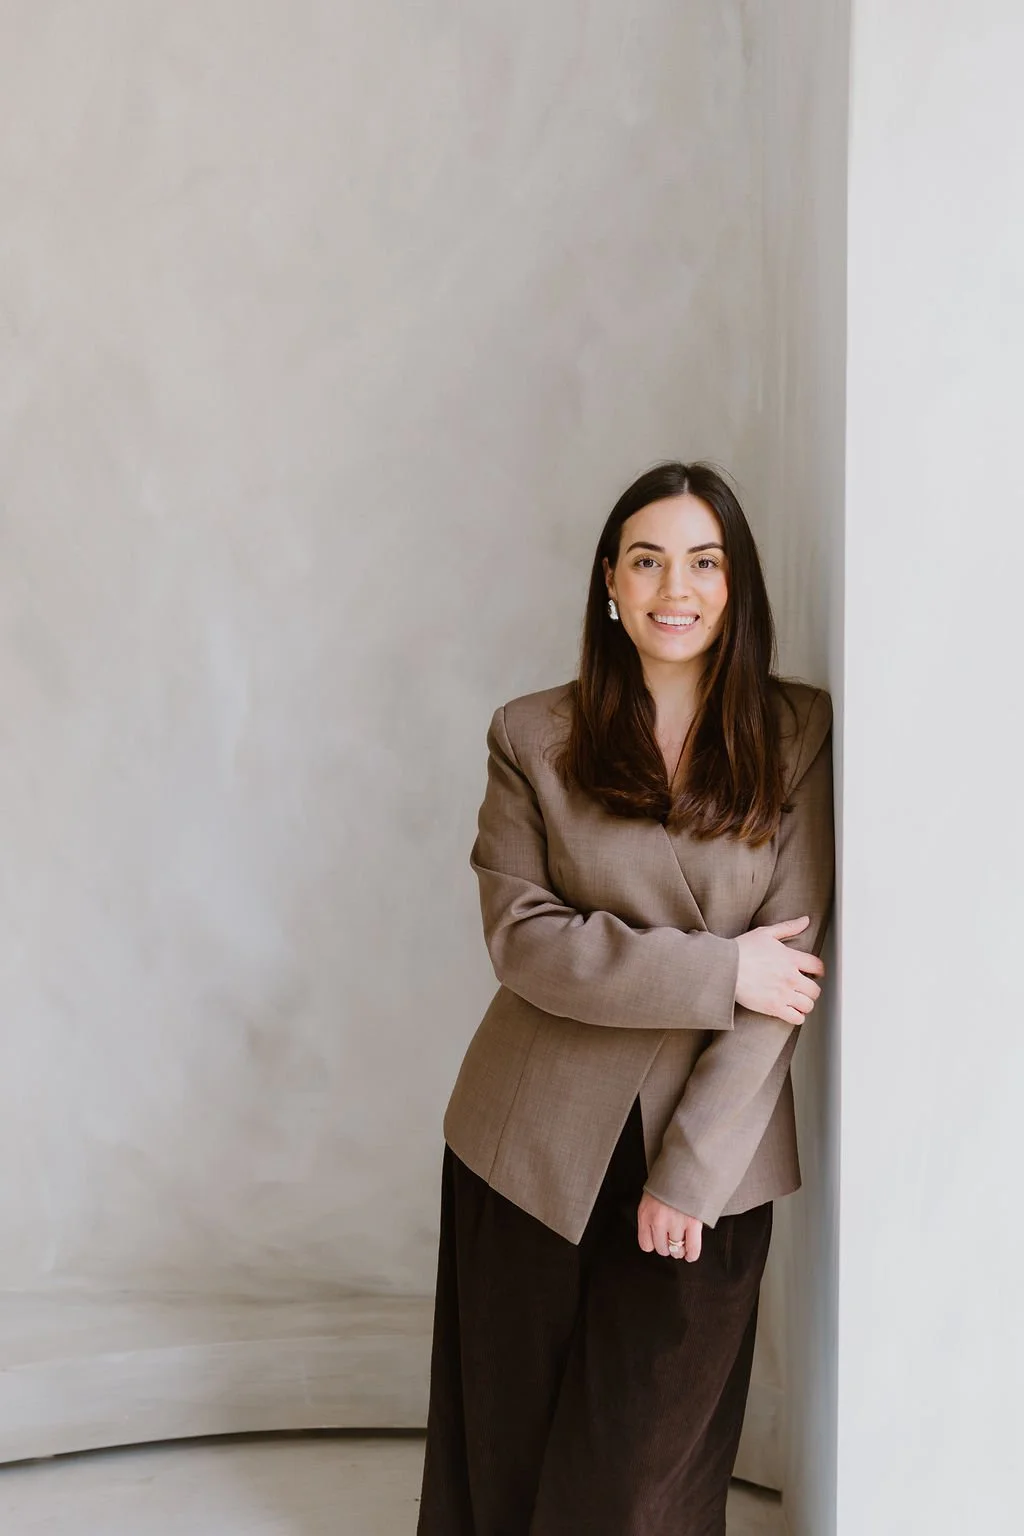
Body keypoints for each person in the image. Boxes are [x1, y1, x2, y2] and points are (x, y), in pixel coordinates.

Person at [415, 461, 836, 1536]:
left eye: (702, 562)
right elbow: (526, 943)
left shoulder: (796, 738)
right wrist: (716, 967)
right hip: (530, 1147)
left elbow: (779, 991)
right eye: (645, 561)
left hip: (714, 1150)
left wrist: (687, 1180)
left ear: (734, 584)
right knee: (508, 1461)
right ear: (610, 581)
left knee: (638, 1485)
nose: (673, 588)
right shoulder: (533, 736)